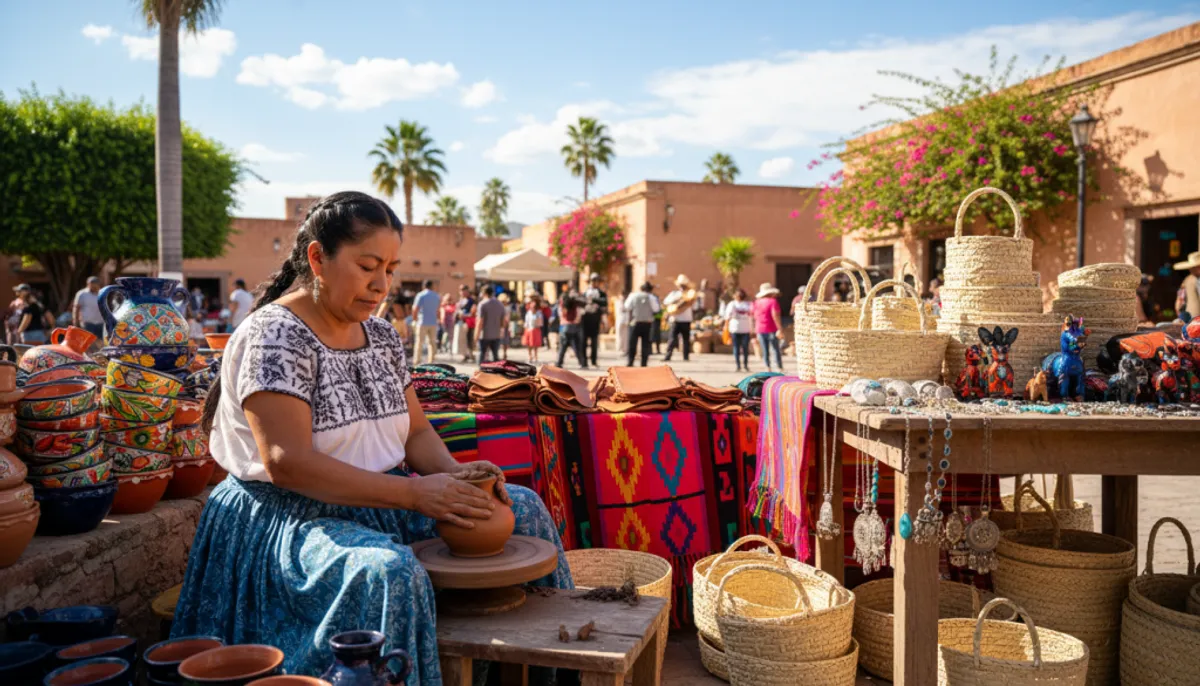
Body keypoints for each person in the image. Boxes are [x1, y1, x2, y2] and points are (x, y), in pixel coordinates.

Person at [170, 192, 570, 682]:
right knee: (387, 571)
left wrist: (456, 476)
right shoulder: (274, 335)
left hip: (384, 501)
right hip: (288, 516)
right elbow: (286, 461)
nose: (381, 284)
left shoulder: (379, 336)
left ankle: (540, 673)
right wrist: (415, 493)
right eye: (367, 266)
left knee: (524, 509)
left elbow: (416, 431)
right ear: (318, 257)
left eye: (390, 268)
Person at [623, 282, 659, 367]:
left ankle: (630, 362)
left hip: (635, 322)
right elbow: (656, 309)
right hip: (647, 323)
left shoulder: (633, 295)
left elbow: (627, 306)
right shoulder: (651, 297)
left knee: (632, 343)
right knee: (645, 344)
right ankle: (644, 363)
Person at [662, 274, 696, 362]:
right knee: (675, 339)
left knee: (682, 339)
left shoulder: (690, 295)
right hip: (677, 319)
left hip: (683, 319)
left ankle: (683, 356)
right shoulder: (675, 294)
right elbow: (666, 302)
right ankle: (671, 356)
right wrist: (678, 302)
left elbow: (694, 306)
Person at [753, 282, 785, 371]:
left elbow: (754, 316)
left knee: (764, 349)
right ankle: (779, 367)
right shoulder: (773, 301)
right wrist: (780, 328)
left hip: (760, 329)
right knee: (775, 349)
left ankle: (767, 366)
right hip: (772, 328)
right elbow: (775, 315)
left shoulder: (756, 302)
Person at [722, 289, 754, 372]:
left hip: (743, 329)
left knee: (743, 348)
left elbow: (751, 317)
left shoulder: (747, 305)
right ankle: (740, 365)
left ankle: (744, 365)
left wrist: (752, 329)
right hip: (736, 329)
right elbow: (727, 317)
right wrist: (726, 327)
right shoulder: (733, 304)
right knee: (739, 348)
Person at [581, 274, 609, 368]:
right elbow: (581, 301)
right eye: (593, 281)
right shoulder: (585, 292)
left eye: (596, 281)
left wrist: (593, 300)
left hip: (595, 318)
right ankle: (584, 362)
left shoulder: (601, 293)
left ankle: (593, 361)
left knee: (594, 341)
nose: (594, 282)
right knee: (583, 341)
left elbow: (604, 302)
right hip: (585, 318)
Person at [555, 289, 586, 369]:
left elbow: (560, 315)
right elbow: (579, 316)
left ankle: (558, 363)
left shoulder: (562, 306)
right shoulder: (575, 306)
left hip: (563, 327)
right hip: (574, 327)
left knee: (562, 347)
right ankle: (582, 363)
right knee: (576, 347)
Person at [411, 280, 440, 365]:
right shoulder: (436, 296)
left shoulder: (421, 295)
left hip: (422, 321)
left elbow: (415, 308)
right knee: (432, 342)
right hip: (433, 322)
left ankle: (417, 360)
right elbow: (438, 310)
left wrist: (414, 319)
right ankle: (431, 360)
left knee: (419, 342)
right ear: (432, 286)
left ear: (424, 286)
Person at [475, 286, 506, 364]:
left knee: (482, 355)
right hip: (496, 334)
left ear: (484, 293)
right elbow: (503, 321)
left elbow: (480, 321)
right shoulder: (500, 304)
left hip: (485, 334)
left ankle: (480, 372)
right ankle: (496, 373)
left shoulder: (482, 304)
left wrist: (476, 335)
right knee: (495, 356)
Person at [72, 276, 105, 341]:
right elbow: (76, 308)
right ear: (88, 284)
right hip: (87, 323)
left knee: (101, 342)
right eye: (93, 284)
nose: (95, 286)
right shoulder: (82, 294)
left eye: (96, 284)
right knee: (88, 342)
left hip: (100, 323)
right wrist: (75, 321)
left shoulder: (102, 293)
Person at [1174, 251, 1200, 323]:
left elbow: (1179, 303)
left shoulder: (1187, 280)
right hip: (1193, 320)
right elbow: (1179, 302)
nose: (1190, 269)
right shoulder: (1188, 280)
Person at [522, 297, 544, 363]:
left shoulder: (539, 313)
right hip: (529, 330)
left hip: (536, 329)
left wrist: (537, 320)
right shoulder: (528, 313)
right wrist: (526, 329)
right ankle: (530, 356)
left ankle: (536, 356)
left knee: (535, 344)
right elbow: (526, 322)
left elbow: (540, 323)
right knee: (529, 344)